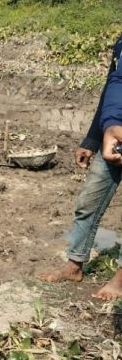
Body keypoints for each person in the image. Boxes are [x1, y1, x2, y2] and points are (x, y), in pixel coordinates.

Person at [38, 34, 122, 300]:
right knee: (88, 201)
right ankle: (74, 265)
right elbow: (113, 88)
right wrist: (94, 138)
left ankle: (120, 281)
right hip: (114, 135)